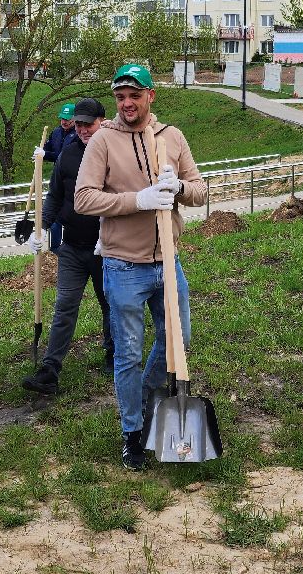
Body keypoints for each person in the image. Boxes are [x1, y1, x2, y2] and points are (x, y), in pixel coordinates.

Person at [75, 63, 206, 471]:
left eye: (134, 95)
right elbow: (84, 199)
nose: (127, 103)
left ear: (151, 96)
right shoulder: (103, 142)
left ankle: (150, 404)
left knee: (176, 341)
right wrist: (139, 199)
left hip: (168, 262)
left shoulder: (172, 137)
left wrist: (178, 188)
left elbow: (201, 191)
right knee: (128, 354)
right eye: (120, 97)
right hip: (123, 266)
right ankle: (132, 433)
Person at [21, 97, 115, 395]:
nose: (84, 129)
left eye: (90, 123)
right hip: (72, 248)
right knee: (64, 307)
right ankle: (50, 369)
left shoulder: (115, 152)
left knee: (110, 304)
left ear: (102, 121)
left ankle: (114, 355)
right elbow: (55, 196)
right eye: (80, 124)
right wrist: (42, 227)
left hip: (107, 248)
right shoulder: (68, 154)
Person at [42, 102, 76, 250]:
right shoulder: (56, 133)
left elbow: (65, 157)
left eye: (68, 118)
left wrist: (47, 154)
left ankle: (69, 246)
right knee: (54, 215)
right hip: (58, 180)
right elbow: (48, 150)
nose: (64, 121)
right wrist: (41, 153)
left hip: (73, 180)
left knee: (69, 214)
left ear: (75, 118)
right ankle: (54, 249)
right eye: (62, 118)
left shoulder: (78, 136)